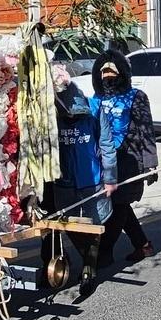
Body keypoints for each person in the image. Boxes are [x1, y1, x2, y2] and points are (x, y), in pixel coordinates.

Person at [88, 50, 158, 266]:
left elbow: (146, 130)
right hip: (104, 162)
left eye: (112, 73)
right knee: (119, 206)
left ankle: (105, 251)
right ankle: (143, 244)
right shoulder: (96, 99)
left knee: (119, 205)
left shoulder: (136, 97)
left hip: (129, 161)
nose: (108, 77)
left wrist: (150, 164)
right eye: (104, 74)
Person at [48, 78, 114, 295]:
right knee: (70, 225)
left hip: (92, 179)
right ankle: (85, 257)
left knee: (94, 226)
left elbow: (106, 144)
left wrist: (111, 178)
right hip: (64, 181)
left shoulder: (95, 109)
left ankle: (89, 268)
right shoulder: (50, 113)